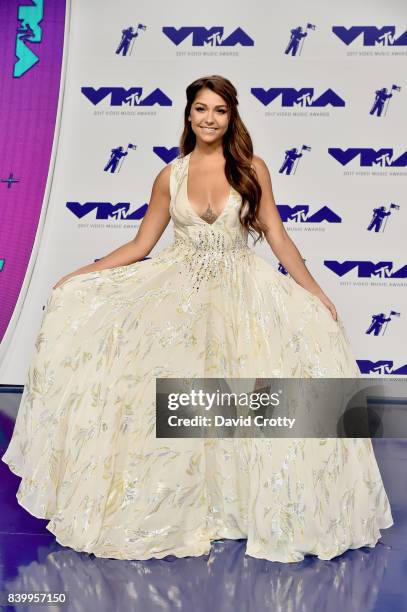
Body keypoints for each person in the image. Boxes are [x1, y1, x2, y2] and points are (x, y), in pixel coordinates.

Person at [2, 75, 393, 563]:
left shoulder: (253, 169)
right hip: (180, 297)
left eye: (220, 111)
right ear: (188, 115)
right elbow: (142, 245)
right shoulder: (171, 176)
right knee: (175, 400)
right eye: (201, 109)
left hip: (242, 295)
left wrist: (314, 291)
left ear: (232, 117)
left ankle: (242, 506)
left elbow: (276, 235)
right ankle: (188, 506)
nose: (210, 118)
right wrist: (82, 274)